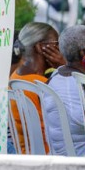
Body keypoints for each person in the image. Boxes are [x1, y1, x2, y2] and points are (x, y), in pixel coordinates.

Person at [43, 25, 85, 156]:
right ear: (84, 53)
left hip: (62, 154)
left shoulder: (57, 75)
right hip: (80, 158)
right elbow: (80, 120)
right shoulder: (73, 83)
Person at [10, 22, 65, 154]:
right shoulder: (44, 86)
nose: (60, 49)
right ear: (40, 47)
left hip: (24, 154)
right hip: (51, 154)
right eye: (56, 43)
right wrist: (64, 67)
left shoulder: (14, 77)